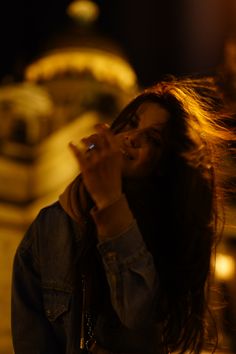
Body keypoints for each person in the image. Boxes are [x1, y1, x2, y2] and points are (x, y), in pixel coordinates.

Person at [11, 76, 235, 354]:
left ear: (166, 163)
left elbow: (138, 319)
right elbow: (30, 340)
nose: (132, 138)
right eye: (131, 124)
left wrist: (110, 202)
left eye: (152, 138)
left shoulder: (169, 234)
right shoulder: (50, 226)